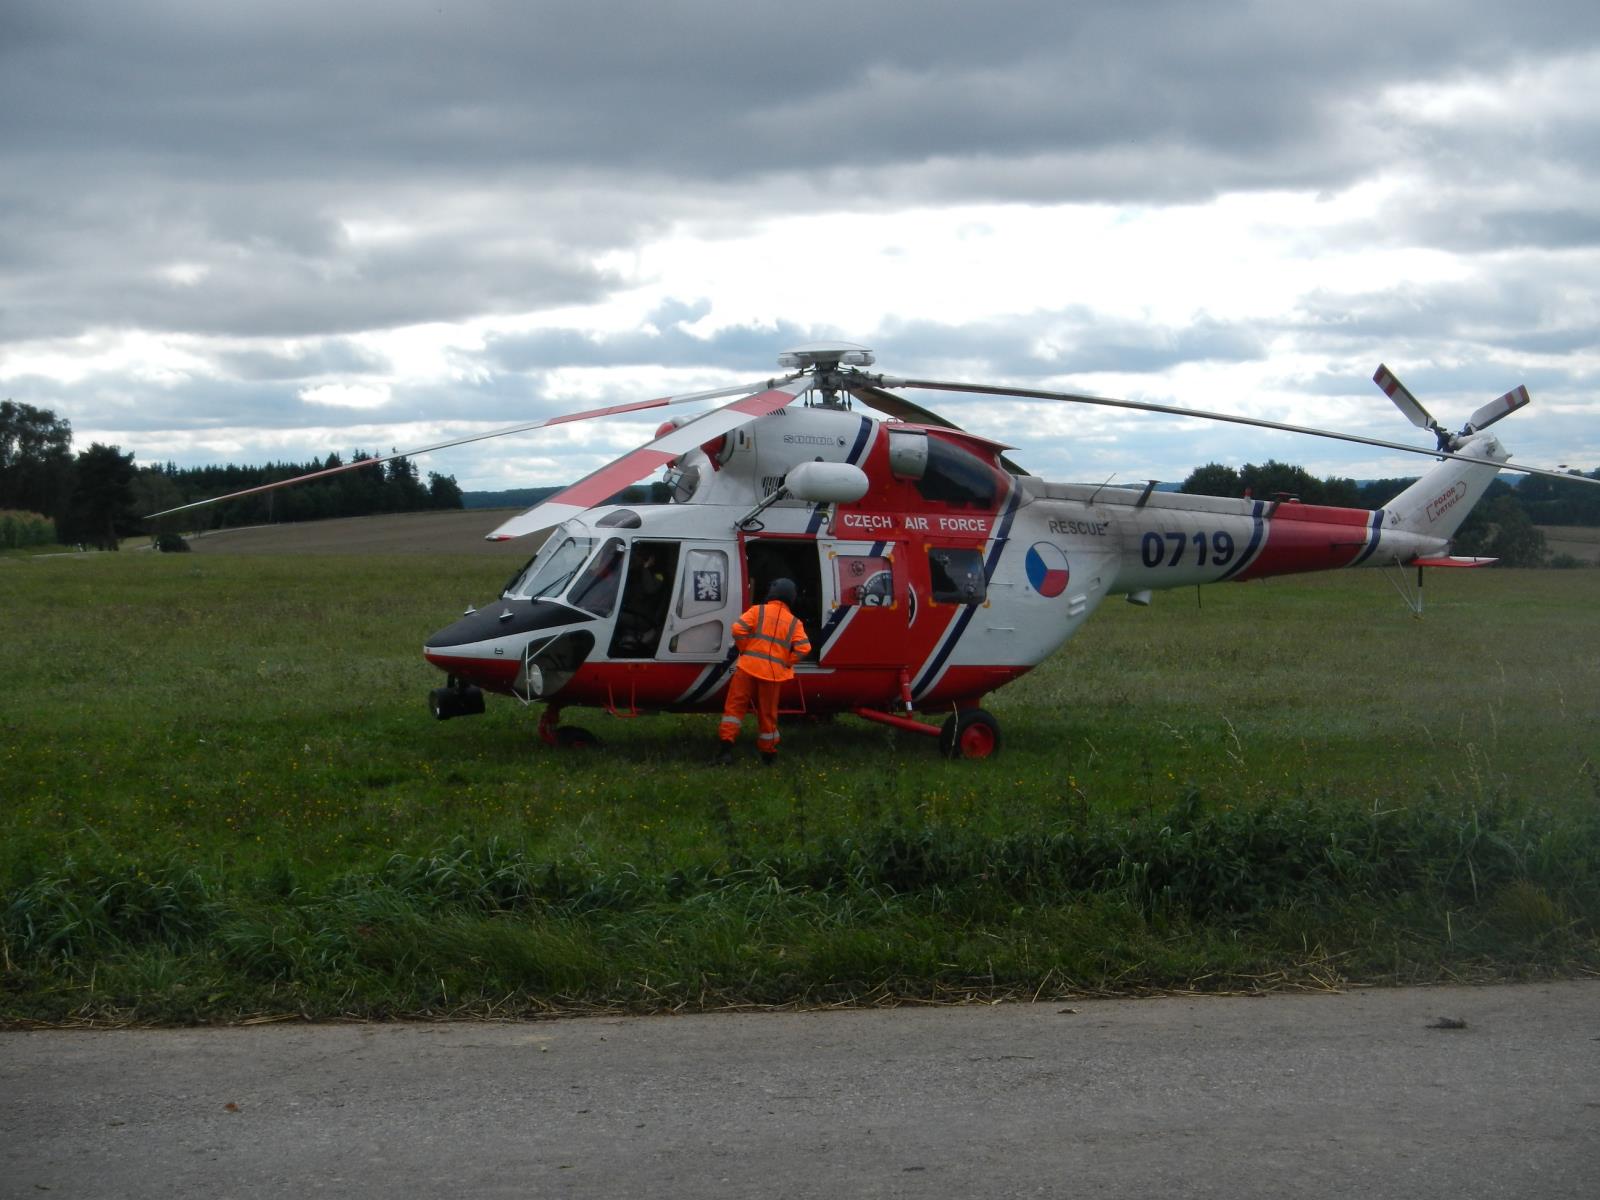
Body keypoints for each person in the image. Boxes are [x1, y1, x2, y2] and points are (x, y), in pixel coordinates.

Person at [715, 577, 811, 766]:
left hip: (747, 668)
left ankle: (725, 750)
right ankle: (768, 755)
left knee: (734, 709)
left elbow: (738, 629)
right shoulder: (795, 623)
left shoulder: (757, 611)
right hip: (772, 675)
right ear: (791, 597)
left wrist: (745, 649)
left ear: (772, 592)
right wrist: (787, 662)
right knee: (767, 715)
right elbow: (804, 648)